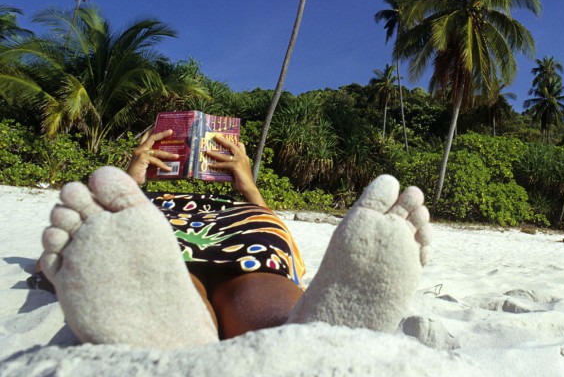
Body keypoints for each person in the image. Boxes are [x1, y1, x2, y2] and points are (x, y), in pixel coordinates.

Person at [38, 129, 433, 349]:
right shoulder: (139, 205)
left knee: (257, 283)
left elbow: (261, 213)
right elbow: (124, 220)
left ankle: (299, 333)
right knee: (167, 270)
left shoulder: (246, 199)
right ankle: (297, 340)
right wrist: (134, 177)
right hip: (156, 228)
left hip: (238, 221)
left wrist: (246, 181)